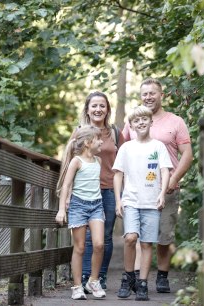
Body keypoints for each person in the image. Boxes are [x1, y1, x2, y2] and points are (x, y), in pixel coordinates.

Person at [122, 78, 193, 293]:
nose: (149, 97)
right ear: (140, 96)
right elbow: (121, 150)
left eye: (153, 93)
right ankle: (134, 278)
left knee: (163, 235)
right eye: (145, 93)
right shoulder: (133, 121)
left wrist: (172, 181)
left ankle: (162, 276)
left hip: (165, 189)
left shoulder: (175, 121)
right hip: (137, 190)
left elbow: (187, 155)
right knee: (135, 235)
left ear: (162, 95)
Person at [113, 105, 173, 301]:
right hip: (131, 200)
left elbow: (165, 171)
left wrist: (162, 194)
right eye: (136, 121)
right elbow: (118, 175)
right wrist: (118, 200)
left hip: (152, 201)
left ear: (150, 121)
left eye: (144, 119)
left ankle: (143, 283)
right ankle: (128, 276)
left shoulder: (158, 147)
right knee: (130, 238)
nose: (140, 123)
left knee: (147, 243)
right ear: (130, 125)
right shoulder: (126, 147)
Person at [71, 92, 125, 291]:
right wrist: (66, 193)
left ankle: (99, 277)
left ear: (107, 110)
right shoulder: (80, 132)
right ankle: (86, 276)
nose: (98, 109)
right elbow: (68, 159)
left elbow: (127, 156)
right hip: (84, 192)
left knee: (106, 237)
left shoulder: (115, 133)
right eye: (94, 106)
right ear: (87, 109)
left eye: (102, 106)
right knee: (85, 238)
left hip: (109, 189)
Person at [55, 125, 107, 300]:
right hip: (78, 206)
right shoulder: (76, 161)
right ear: (87, 142)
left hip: (96, 205)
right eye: (98, 139)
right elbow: (66, 186)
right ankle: (77, 286)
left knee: (99, 244)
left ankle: (93, 280)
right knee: (80, 247)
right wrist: (62, 209)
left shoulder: (98, 161)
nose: (101, 141)